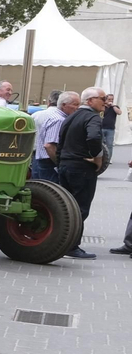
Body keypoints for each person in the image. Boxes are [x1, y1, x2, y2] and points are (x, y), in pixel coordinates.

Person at [55, 89, 104, 259]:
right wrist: (98, 158)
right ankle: (71, 246)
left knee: (65, 208)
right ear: (90, 101)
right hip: (81, 167)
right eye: (102, 98)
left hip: (66, 165)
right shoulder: (92, 117)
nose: (105, 102)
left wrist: (60, 162)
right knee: (79, 209)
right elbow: (93, 137)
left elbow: (61, 140)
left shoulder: (71, 116)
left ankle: (60, 243)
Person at [30, 97, 67, 184]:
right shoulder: (60, 118)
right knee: (51, 189)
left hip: (36, 154)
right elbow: (49, 145)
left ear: (49, 102)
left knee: (36, 186)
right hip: (50, 157)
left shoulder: (36, 115)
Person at [102, 93, 120, 166]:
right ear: (106, 100)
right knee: (102, 144)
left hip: (110, 128)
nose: (111, 101)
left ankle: (108, 158)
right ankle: (102, 158)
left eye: (112, 99)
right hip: (102, 128)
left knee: (109, 144)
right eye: (109, 99)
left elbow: (119, 112)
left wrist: (113, 106)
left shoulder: (115, 107)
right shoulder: (103, 107)